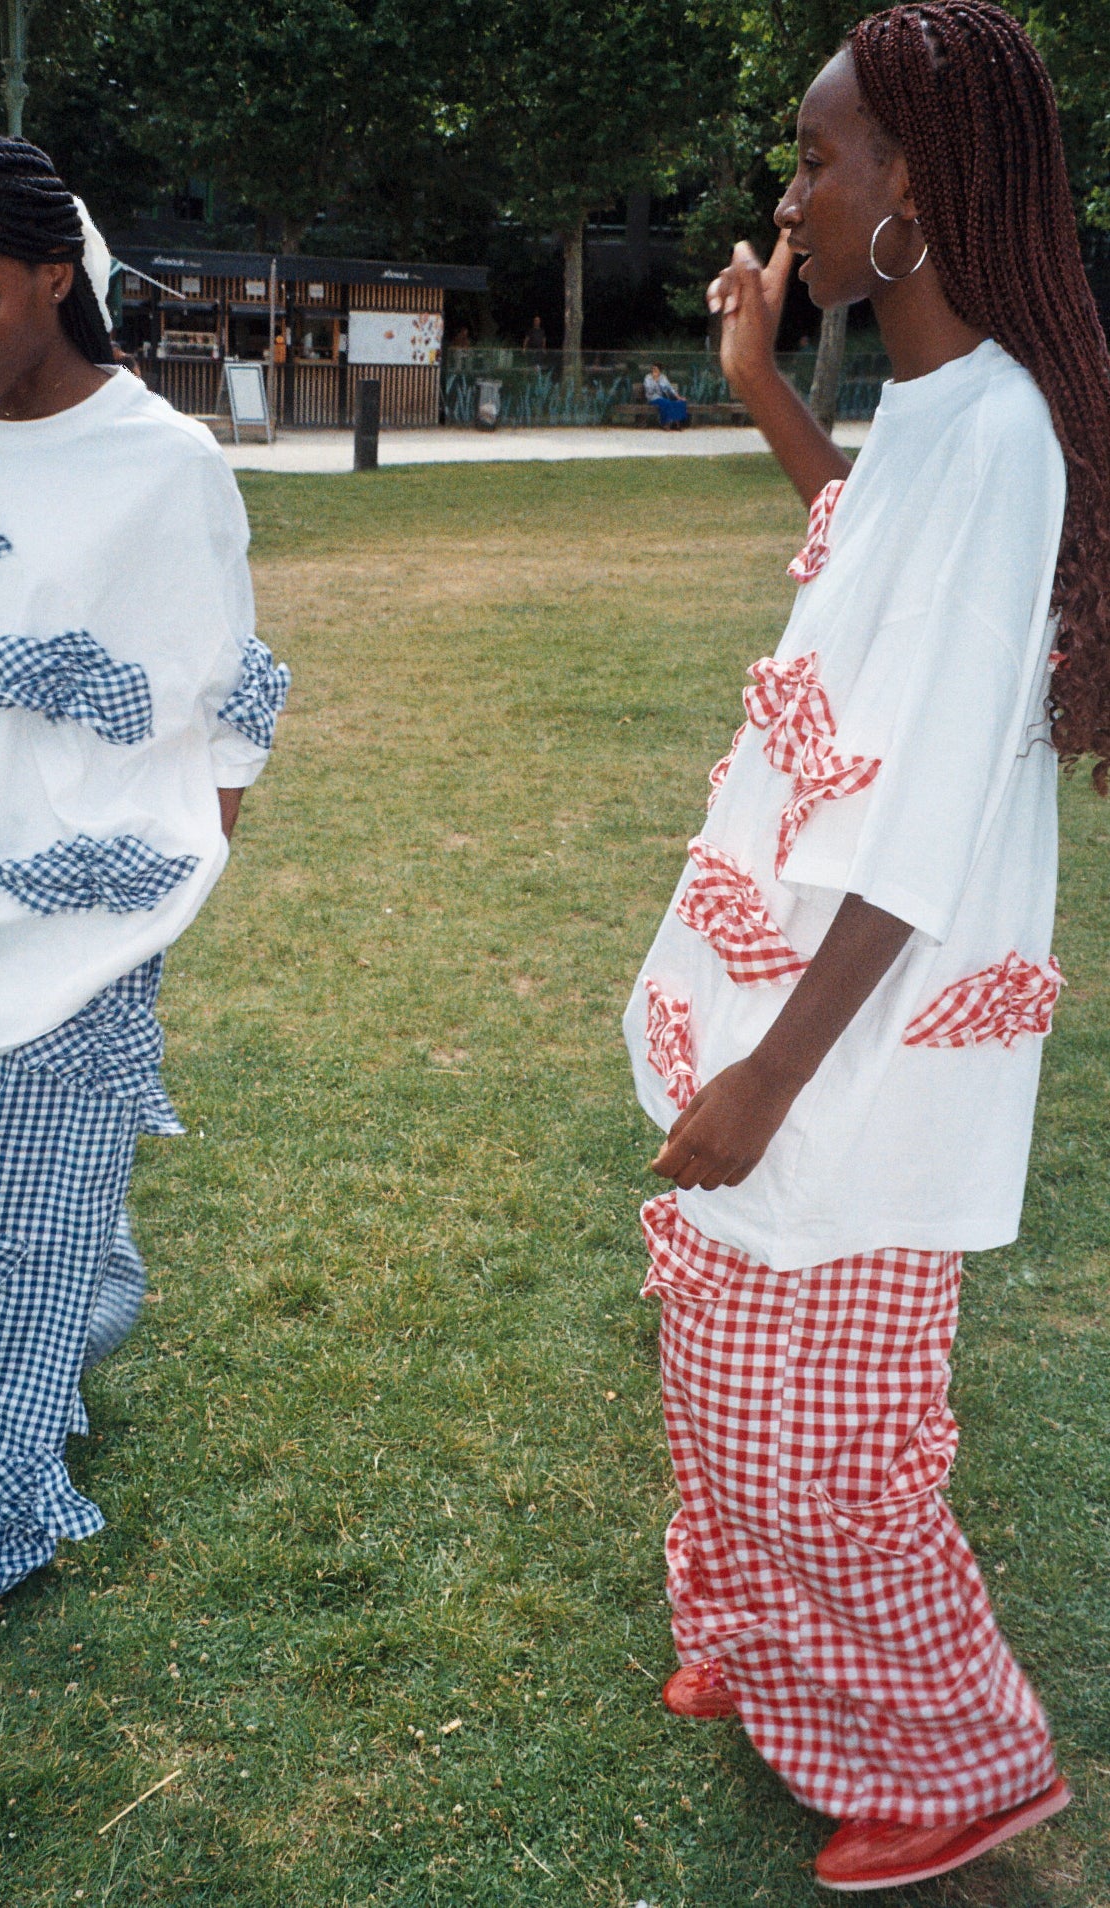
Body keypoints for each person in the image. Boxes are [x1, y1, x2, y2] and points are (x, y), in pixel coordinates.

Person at [624, 2, 1110, 1892]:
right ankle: (768, 1656)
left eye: (820, 158)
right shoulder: (934, 408)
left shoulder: (1003, 432)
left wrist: (765, 1074)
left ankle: (965, 1756)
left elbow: (923, 813)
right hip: (792, 974)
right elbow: (868, 561)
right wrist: (762, 384)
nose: (792, 191)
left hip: (861, 1027)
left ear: (918, 184)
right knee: (722, 1366)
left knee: (825, 1432)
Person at [0, 132, 289, 1663]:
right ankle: (75, 1305)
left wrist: (151, 890)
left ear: (54, 274)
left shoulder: (165, 466)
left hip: (81, 929)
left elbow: (226, 703)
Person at [643, 362, 689, 428]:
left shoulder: (663, 377)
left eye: (655, 369)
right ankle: (665, 423)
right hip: (653, 398)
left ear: (659, 370)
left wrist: (678, 397)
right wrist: (655, 381)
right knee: (666, 403)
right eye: (653, 369)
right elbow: (649, 391)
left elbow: (670, 388)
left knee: (680, 403)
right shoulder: (648, 377)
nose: (653, 370)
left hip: (664, 398)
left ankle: (677, 422)